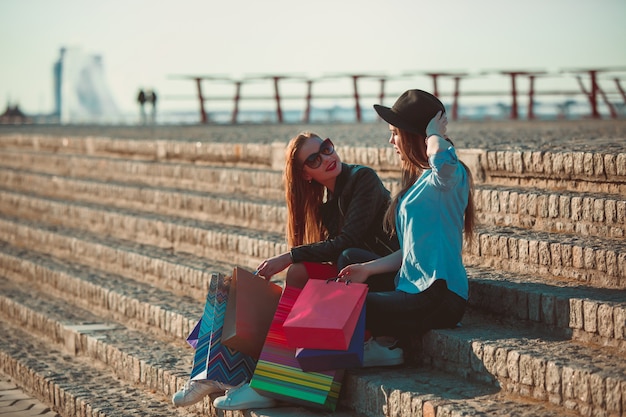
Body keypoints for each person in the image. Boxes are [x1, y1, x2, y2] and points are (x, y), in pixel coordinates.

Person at [172, 131, 399, 409]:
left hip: (383, 280)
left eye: (326, 148)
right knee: (288, 278)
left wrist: (288, 256)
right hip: (354, 278)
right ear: (305, 175)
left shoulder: (363, 178)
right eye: (314, 159)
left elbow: (348, 243)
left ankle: (264, 382)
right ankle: (216, 371)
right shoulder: (328, 204)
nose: (327, 158)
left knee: (300, 271)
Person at [336, 89, 476, 361]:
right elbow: (413, 251)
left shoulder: (447, 176)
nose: (391, 141)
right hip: (411, 286)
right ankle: (385, 342)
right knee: (350, 259)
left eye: (395, 133)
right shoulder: (423, 180)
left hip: (439, 295)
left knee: (351, 304)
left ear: (416, 136)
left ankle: (385, 347)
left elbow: (443, 158)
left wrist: (433, 133)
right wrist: (366, 269)